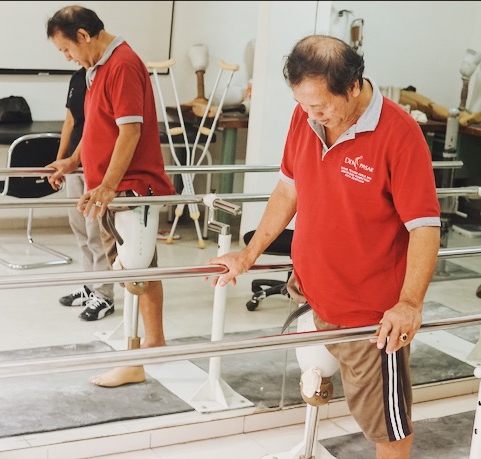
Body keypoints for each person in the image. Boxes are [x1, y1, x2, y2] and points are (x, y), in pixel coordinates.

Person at [207, 35, 441, 457]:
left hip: (368, 319)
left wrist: (409, 303)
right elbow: (287, 191)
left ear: (353, 85)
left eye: (320, 106)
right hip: (312, 293)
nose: (311, 113)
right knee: (314, 383)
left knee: (387, 428)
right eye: (303, 103)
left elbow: (424, 228)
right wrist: (248, 254)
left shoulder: (400, 135)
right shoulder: (306, 117)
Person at [45, 5, 176, 388]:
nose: (67, 57)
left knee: (136, 272)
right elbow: (98, 128)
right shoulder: (95, 70)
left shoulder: (121, 65)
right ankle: (152, 344)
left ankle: (140, 356)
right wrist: (72, 161)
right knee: (135, 269)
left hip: (131, 188)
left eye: (66, 49)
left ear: (83, 35)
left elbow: (130, 132)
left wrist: (106, 185)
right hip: (110, 190)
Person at [54, 65, 115, 321]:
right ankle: (90, 285)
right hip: (76, 165)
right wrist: (61, 161)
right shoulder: (79, 78)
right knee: (79, 226)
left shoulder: (105, 77)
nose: (66, 55)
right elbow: (71, 120)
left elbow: (97, 126)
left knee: (95, 232)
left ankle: (104, 294)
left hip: (96, 163)